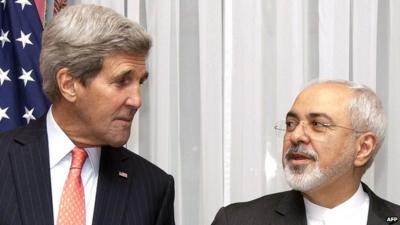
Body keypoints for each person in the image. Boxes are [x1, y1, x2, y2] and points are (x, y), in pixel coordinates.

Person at [0, 4, 175, 225]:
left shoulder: (153, 188)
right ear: (69, 84)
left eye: (140, 82)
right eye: (122, 81)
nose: (137, 100)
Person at [212, 80, 400, 225]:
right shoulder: (237, 220)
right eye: (290, 124)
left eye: (317, 124)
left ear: (363, 148)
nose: (295, 136)